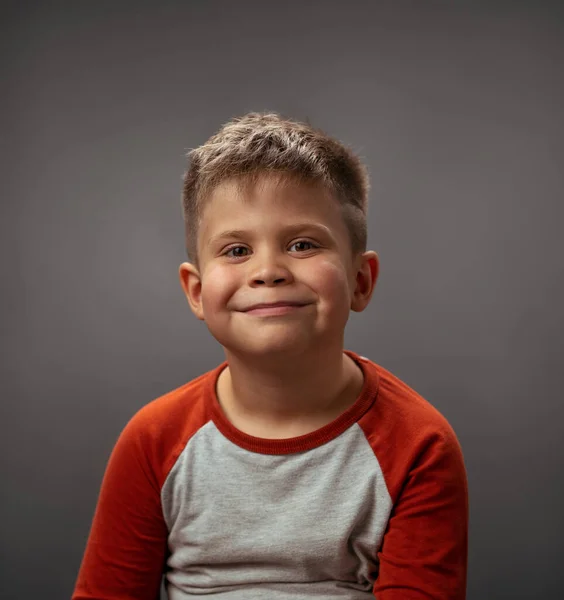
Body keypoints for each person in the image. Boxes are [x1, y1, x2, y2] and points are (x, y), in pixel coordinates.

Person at [72, 112, 469, 600]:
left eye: (302, 244)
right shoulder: (153, 441)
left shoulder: (418, 445)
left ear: (360, 281)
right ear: (196, 292)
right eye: (236, 250)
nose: (268, 270)